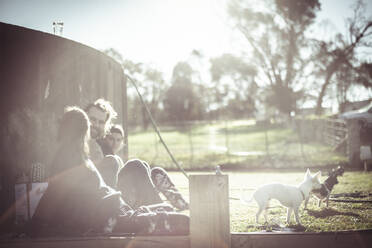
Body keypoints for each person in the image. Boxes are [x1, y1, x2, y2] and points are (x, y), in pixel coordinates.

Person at [29, 106, 189, 236]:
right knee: (149, 218)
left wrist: (33, 224)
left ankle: (157, 211)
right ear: (83, 132)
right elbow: (58, 195)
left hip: (110, 216)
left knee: (173, 222)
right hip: (115, 207)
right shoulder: (78, 157)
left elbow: (52, 195)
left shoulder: (68, 158)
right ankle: (158, 209)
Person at [85, 98, 189, 211]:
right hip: (99, 201)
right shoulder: (79, 140)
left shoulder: (102, 145)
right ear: (84, 118)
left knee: (150, 170)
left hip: (114, 193)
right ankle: (160, 211)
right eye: (92, 119)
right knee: (135, 165)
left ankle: (173, 204)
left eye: (101, 122)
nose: (95, 124)